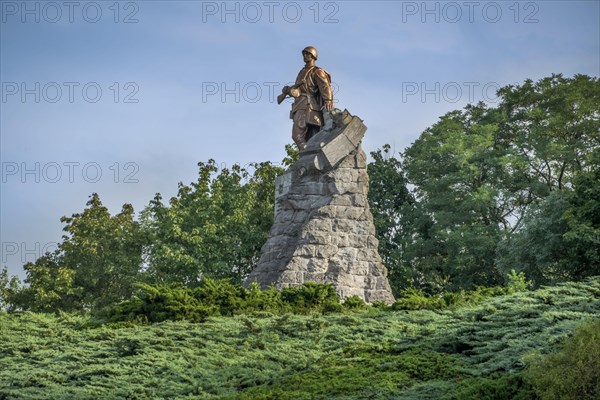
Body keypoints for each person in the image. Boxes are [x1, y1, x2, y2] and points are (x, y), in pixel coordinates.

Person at [279, 46, 334, 150]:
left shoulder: (317, 71)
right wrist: (289, 90)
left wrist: (328, 99)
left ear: (313, 56)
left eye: (308, 54)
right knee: (309, 137)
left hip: (307, 106)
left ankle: (306, 154)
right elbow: (300, 90)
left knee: (297, 135)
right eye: (304, 54)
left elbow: (325, 86)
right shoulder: (302, 72)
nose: (305, 56)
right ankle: (307, 156)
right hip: (300, 104)